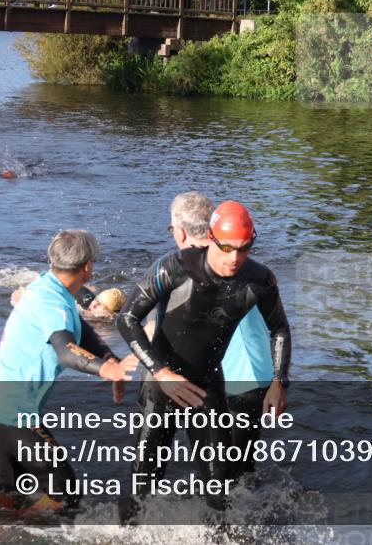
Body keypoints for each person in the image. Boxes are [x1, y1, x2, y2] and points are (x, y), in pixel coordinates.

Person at [117, 201, 291, 512]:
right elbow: (127, 319)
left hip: (207, 387)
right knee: (143, 483)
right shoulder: (174, 267)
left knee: (220, 487)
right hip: (161, 386)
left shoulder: (260, 280)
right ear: (210, 237)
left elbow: (279, 329)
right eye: (226, 247)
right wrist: (160, 372)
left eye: (244, 248)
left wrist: (279, 382)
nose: (234, 257)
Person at [0, 230, 138, 512]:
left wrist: (109, 358)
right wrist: (106, 371)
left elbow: (80, 328)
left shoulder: (47, 287)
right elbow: (66, 351)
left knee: (6, 502)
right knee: (65, 497)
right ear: (88, 266)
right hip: (15, 416)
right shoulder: (53, 304)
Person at [145, 192, 279, 479]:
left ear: (179, 232)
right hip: (254, 377)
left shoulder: (190, 267)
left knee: (221, 477)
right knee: (237, 476)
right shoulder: (237, 260)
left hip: (228, 378)